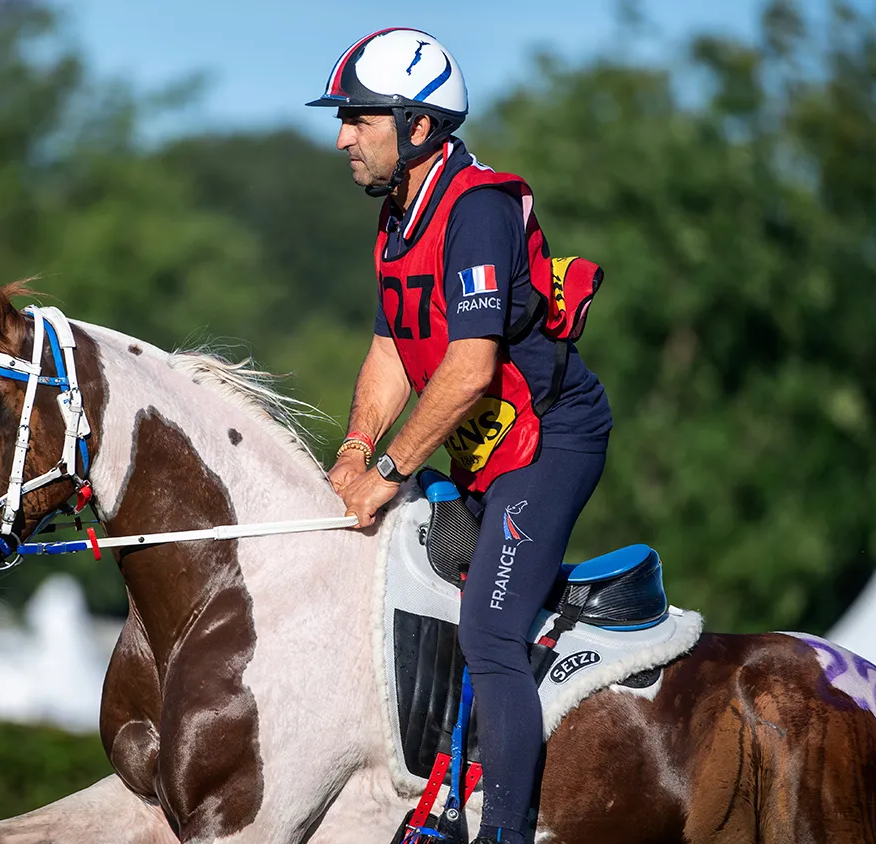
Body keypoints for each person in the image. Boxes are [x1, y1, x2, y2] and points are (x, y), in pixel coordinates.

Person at [307, 28, 613, 844]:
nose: (341, 136)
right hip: (484, 447)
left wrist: (390, 469)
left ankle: (502, 837)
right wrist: (351, 456)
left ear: (416, 126)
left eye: (357, 118)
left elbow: (472, 366)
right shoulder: (397, 218)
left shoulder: (475, 209)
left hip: (552, 441)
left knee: (488, 631)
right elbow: (389, 353)